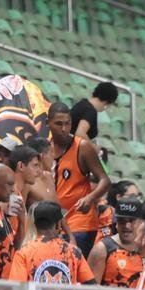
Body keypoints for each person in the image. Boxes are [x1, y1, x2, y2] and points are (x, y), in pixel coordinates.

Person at [48, 101, 111, 252]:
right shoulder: (44, 148)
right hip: (54, 222)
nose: (64, 129)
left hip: (79, 221)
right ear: (47, 123)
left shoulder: (82, 147)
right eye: (58, 124)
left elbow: (105, 180)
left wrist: (90, 198)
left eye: (67, 124)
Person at [87, 196, 145, 289]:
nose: (127, 226)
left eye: (131, 220)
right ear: (116, 223)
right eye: (122, 221)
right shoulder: (102, 249)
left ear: (142, 222)